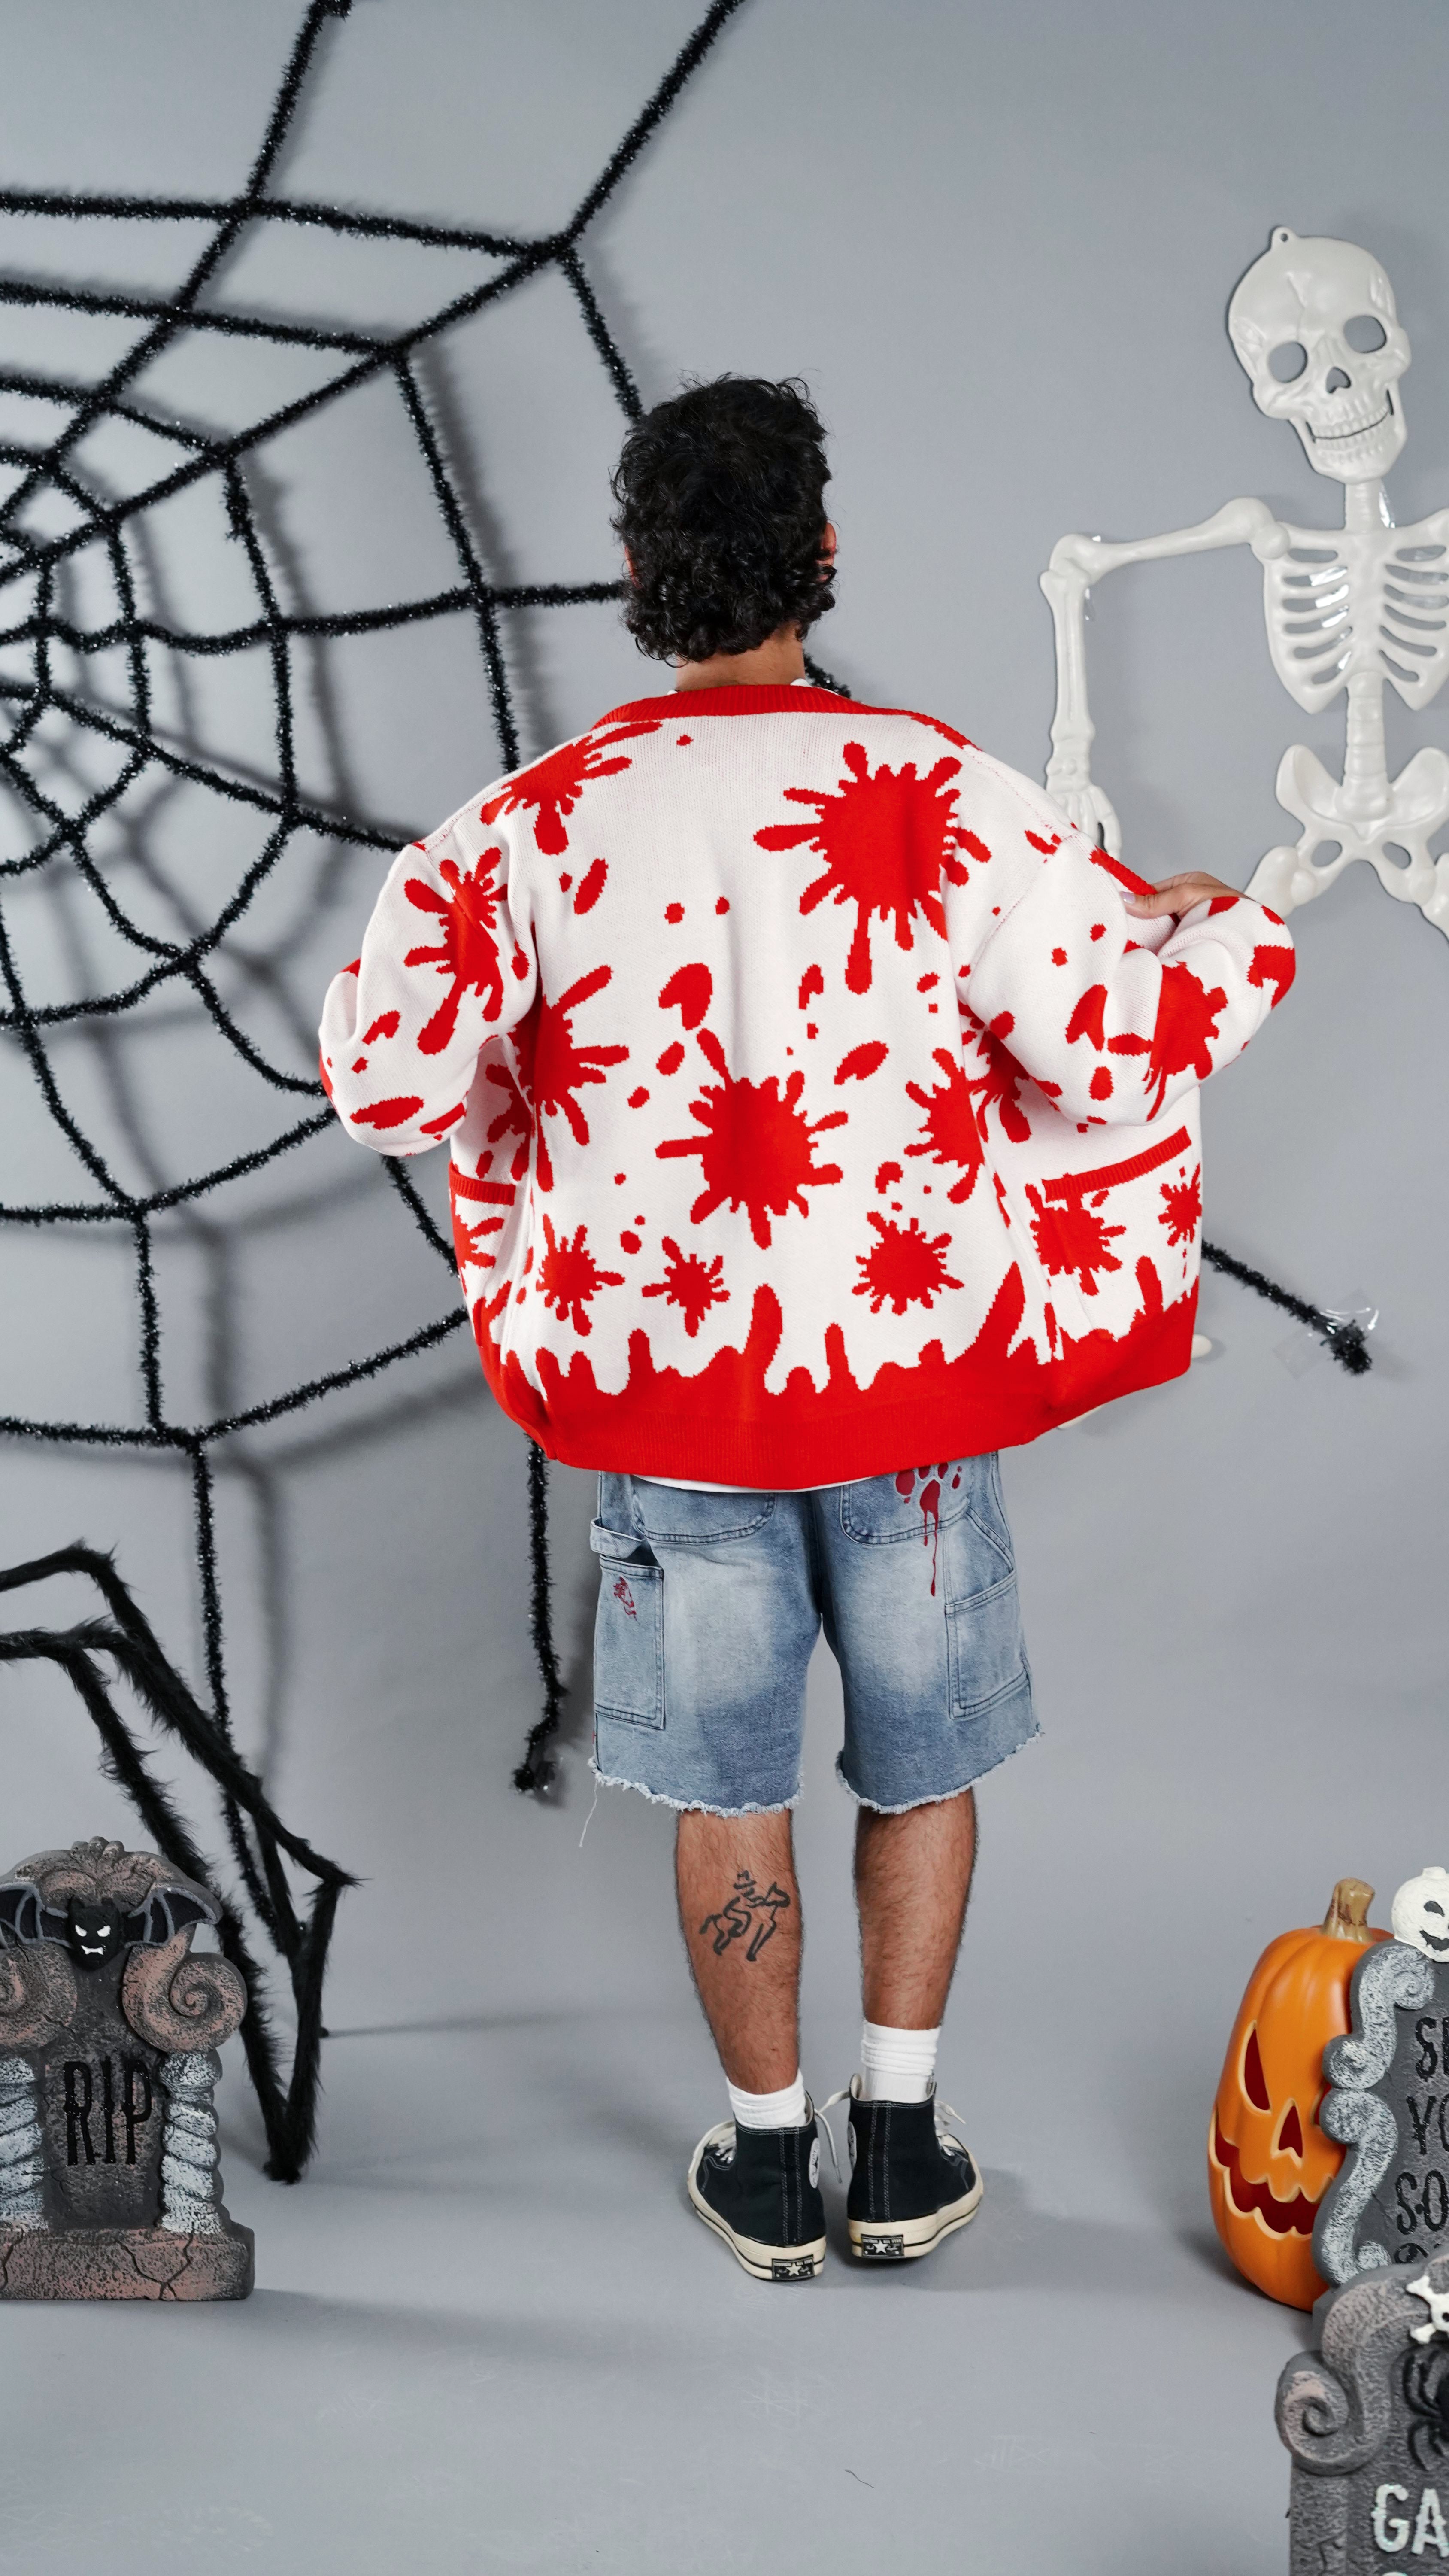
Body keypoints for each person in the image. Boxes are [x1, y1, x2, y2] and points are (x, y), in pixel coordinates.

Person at [320, 376, 1294, 2282]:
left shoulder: (523, 829)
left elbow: (388, 1080)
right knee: (922, 1760)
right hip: (910, 1395)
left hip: (671, 1404)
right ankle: (902, 2142)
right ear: (823, 556)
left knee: (729, 1782)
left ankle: (769, 2164)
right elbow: (1112, 1053)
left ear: (633, 573)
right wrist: (1217, 935)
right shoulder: (950, 794)